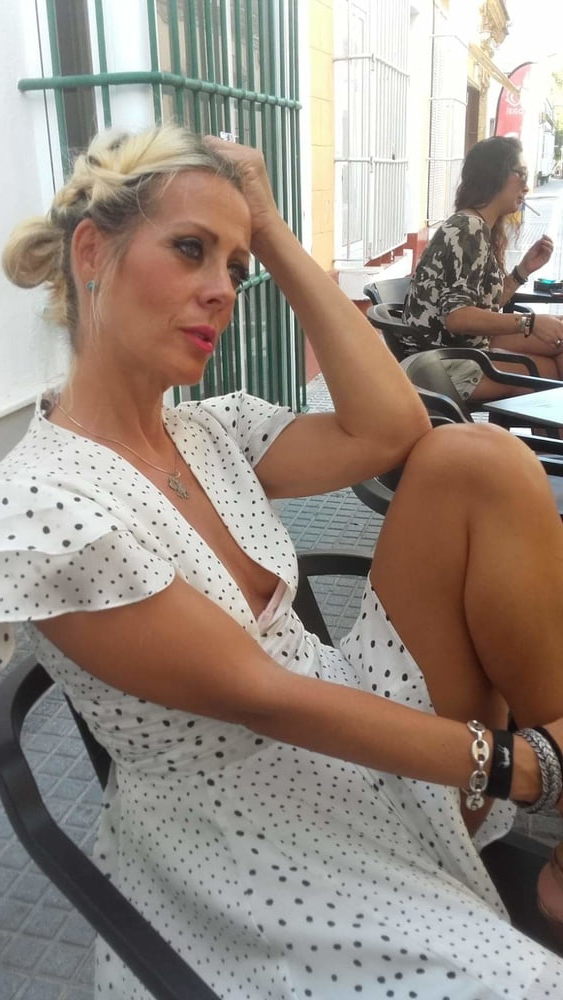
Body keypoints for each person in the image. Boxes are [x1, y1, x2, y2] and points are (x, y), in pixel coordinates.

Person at [1, 125, 563, 1000]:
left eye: (235, 267)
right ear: (91, 253)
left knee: (477, 460)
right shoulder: (41, 502)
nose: (221, 291)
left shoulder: (205, 431)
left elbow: (395, 427)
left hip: (346, 710)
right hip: (243, 824)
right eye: (190, 249)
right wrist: (515, 766)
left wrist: (267, 228)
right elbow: (261, 695)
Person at [402, 136, 563, 402]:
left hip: (462, 346)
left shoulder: (476, 225)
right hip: (441, 364)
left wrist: (523, 271)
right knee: (551, 371)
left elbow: (484, 306)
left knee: (559, 336)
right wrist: (529, 322)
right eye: (521, 174)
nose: (526, 186)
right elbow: (458, 317)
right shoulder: (468, 229)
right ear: (494, 175)